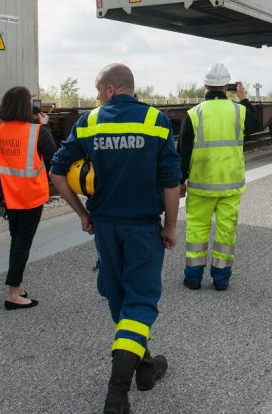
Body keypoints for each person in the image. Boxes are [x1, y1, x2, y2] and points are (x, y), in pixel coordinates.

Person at [49, 63, 181, 414]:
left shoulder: (89, 122)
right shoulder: (156, 121)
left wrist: (82, 213)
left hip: (105, 227)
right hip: (141, 227)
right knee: (139, 303)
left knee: (119, 296)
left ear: (110, 89)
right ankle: (116, 393)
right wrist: (170, 226)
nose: (96, 97)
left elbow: (57, 173)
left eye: (97, 90)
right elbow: (171, 181)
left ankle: (146, 367)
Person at [177, 63, 261, 291]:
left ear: (205, 86)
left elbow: (183, 153)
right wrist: (243, 98)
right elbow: (256, 125)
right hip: (230, 187)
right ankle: (221, 280)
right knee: (226, 232)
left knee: (196, 230)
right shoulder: (239, 111)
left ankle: (193, 278)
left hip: (201, 186)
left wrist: (180, 181)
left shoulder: (194, 114)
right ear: (227, 86)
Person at [0, 87, 57, 310]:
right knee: (23, 243)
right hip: (30, 196)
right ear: (25, 107)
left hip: (8, 195)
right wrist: (44, 125)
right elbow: (54, 155)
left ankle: (17, 286)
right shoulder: (37, 132)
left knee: (16, 239)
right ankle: (12, 295)